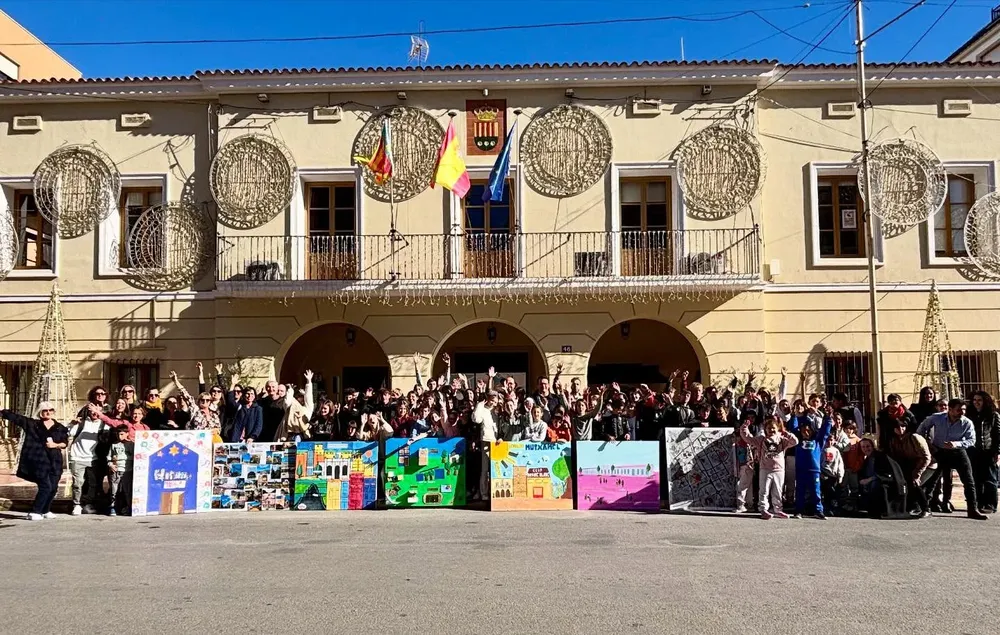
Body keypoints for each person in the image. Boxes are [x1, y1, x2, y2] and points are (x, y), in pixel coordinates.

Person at [917, 399, 989, 520]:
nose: (962, 412)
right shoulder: (937, 418)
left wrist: (956, 444)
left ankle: (972, 509)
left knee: (968, 481)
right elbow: (921, 429)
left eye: (964, 409)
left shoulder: (967, 423)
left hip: (958, 452)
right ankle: (925, 508)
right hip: (939, 451)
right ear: (950, 410)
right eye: (958, 409)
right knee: (932, 481)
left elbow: (971, 440)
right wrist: (928, 443)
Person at [1, 402, 69, 520]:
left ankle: (45, 510)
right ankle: (35, 511)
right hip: (38, 461)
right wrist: (2, 411)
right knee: (45, 486)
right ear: (40, 413)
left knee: (53, 487)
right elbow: (17, 418)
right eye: (45, 410)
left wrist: (55, 445)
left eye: (50, 410)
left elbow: (64, 443)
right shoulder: (32, 424)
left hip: (55, 461)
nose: (48, 412)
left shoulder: (60, 427)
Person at [739, 415, 797, 519]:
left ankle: (778, 509)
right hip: (765, 469)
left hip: (779, 469)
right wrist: (744, 427)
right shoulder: (761, 440)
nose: (771, 430)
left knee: (778, 491)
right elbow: (748, 439)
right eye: (769, 428)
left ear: (777, 428)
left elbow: (795, 442)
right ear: (765, 429)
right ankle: (763, 509)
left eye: (773, 428)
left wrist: (786, 433)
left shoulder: (782, 440)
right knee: (764, 490)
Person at [886, 413, 932, 518]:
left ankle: (926, 509)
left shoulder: (914, 437)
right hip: (911, 465)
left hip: (928, 465)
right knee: (904, 482)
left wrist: (917, 473)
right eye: (897, 427)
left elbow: (926, 457)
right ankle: (912, 507)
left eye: (903, 426)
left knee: (914, 483)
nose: (900, 429)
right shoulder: (894, 440)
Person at [67, 404, 110, 515]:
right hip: (78, 457)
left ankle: (88, 503)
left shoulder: (104, 424)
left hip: (93, 458)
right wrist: (72, 424)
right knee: (78, 483)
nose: (95, 413)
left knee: (93, 483)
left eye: (98, 411)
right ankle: (76, 504)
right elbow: (69, 432)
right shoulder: (81, 423)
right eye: (92, 411)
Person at [793, 409, 833, 519]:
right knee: (800, 492)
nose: (806, 432)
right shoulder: (797, 441)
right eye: (803, 431)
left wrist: (828, 418)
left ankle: (818, 510)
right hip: (801, 470)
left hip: (814, 471)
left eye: (808, 430)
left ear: (812, 431)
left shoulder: (818, 442)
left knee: (816, 492)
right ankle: (799, 511)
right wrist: (797, 416)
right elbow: (793, 427)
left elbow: (825, 431)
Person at [968, 390, 1000, 514]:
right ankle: (979, 503)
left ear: (985, 401)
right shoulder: (970, 415)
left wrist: (996, 451)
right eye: (975, 400)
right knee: (976, 478)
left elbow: (997, 434)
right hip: (973, 451)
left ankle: (990, 504)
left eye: (979, 400)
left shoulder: (993, 415)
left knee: (990, 479)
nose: (977, 403)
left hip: (988, 451)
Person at [472, 391, 499, 502]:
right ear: (487, 399)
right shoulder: (482, 409)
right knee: (485, 468)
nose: (493, 402)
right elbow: (476, 419)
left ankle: (494, 491)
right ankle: (484, 492)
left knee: (496, 469)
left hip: (498, 442)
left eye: (495, 400)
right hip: (486, 440)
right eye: (491, 399)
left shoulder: (498, 410)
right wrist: (479, 405)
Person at [106, 425, 134, 516]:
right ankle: (113, 507)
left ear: (127, 434)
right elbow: (109, 457)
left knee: (127, 490)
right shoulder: (114, 445)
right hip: (116, 470)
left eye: (122, 434)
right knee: (114, 490)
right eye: (118, 434)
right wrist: (110, 464)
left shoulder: (131, 445)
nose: (120, 436)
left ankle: (129, 507)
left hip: (127, 470)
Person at [280, 371, 315, 442]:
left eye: (302, 396)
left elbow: (309, 398)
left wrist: (309, 382)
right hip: (288, 436)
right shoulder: (290, 407)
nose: (300, 398)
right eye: (298, 396)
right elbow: (287, 402)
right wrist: (290, 390)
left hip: (303, 437)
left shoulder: (307, 410)